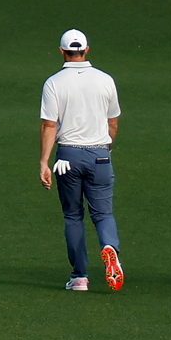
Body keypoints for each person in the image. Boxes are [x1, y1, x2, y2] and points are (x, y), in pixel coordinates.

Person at [39, 28, 123, 292]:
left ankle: (79, 277)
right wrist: (106, 150)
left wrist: (44, 162)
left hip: (68, 157)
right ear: (86, 50)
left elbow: (49, 125)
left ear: (62, 52)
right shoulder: (105, 80)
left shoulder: (54, 83)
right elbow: (113, 122)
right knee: (103, 213)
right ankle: (109, 247)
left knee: (73, 215)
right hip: (99, 153)